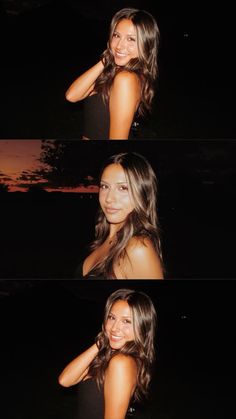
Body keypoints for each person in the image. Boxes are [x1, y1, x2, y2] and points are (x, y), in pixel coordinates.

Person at [58, 288, 157, 419]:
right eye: (112, 317)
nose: (115, 328)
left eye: (126, 321)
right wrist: (101, 343)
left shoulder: (121, 362)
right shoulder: (108, 355)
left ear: (142, 327)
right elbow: (65, 380)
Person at [65, 8, 160, 139]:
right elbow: (72, 96)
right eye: (116, 36)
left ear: (146, 44)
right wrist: (106, 59)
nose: (120, 46)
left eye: (131, 39)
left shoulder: (125, 79)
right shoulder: (113, 71)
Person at [76, 152, 164, 279]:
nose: (109, 199)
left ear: (143, 193)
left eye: (123, 188)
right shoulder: (103, 238)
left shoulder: (138, 248)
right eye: (105, 186)